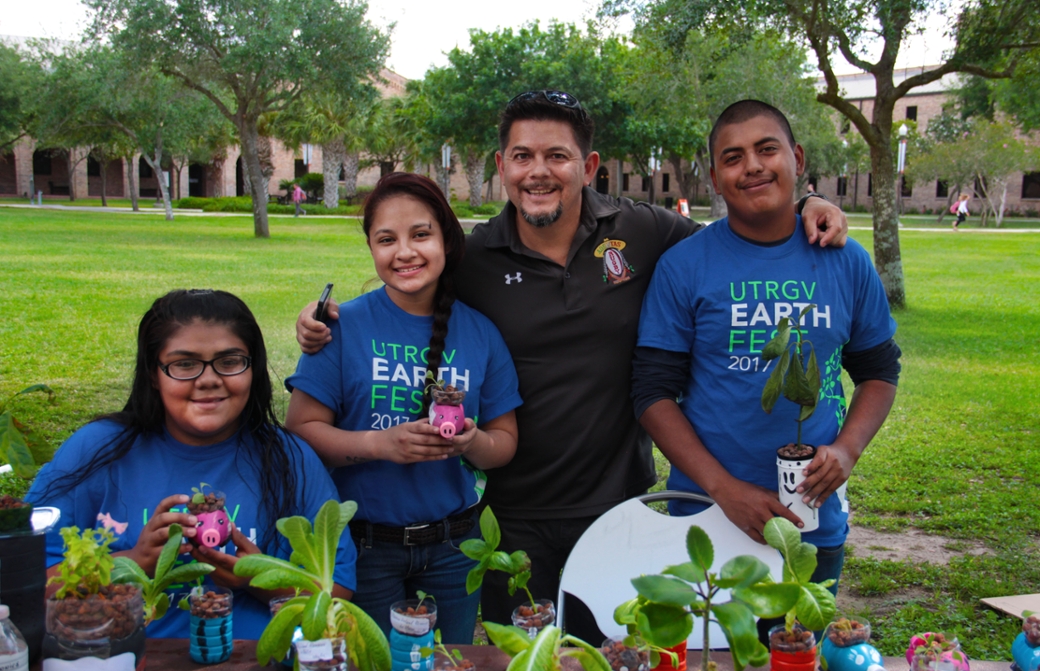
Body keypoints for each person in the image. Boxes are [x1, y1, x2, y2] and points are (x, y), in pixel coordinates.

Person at [295, 91, 850, 637]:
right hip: (509, 513)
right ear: (501, 166)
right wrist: (321, 321)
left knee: (610, 658)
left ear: (587, 166)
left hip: (618, 504)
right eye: (522, 156)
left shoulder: (646, 232)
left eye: (556, 155)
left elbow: (736, 235)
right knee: (521, 666)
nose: (539, 172)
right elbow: (407, 285)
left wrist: (805, 204)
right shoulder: (475, 255)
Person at [633, 100, 899, 615]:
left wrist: (847, 450)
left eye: (766, 149)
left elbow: (879, 372)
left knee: (794, 668)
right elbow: (652, 392)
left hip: (811, 519)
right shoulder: (684, 266)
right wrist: (723, 488)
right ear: (715, 177)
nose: (752, 165)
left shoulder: (846, 261)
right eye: (733, 157)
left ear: (796, 158)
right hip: (705, 520)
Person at [26, 289, 356, 639]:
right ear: (154, 373)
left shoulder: (290, 458)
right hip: (123, 668)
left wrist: (257, 578)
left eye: (230, 362)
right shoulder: (96, 450)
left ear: (253, 368)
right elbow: (27, 581)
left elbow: (337, 595)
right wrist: (135, 561)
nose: (209, 379)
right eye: (184, 364)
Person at [284, 172, 521, 644]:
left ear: (447, 242)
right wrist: (379, 444)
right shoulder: (339, 326)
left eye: (420, 234)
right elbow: (300, 433)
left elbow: (506, 442)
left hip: (455, 548)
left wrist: (473, 442)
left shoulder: (480, 333)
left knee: (446, 669)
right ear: (371, 248)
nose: (404, 252)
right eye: (386, 239)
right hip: (364, 548)